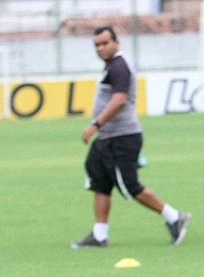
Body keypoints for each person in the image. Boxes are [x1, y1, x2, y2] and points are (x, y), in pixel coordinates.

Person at [71, 26, 190, 249]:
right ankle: (99, 235)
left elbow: (119, 100)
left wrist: (95, 124)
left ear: (116, 43)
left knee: (130, 186)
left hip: (121, 137)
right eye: (97, 45)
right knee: (99, 181)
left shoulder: (119, 66)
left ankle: (174, 217)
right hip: (107, 138)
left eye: (105, 43)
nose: (100, 48)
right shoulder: (111, 66)